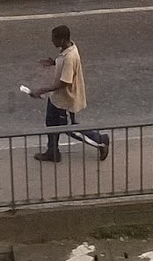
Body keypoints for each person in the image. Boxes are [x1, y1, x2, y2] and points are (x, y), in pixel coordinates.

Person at [29, 25, 111, 162]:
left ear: (61, 40)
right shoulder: (67, 49)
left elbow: (64, 82)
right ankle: (52, 151)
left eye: (54, 39)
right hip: (56, 99)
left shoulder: (70, 57)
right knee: (51, 124)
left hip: (65, 100)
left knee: (70, 129)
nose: (52, 41)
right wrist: (54, 62)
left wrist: (41, 90)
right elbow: (65, 66)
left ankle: (100, 141)